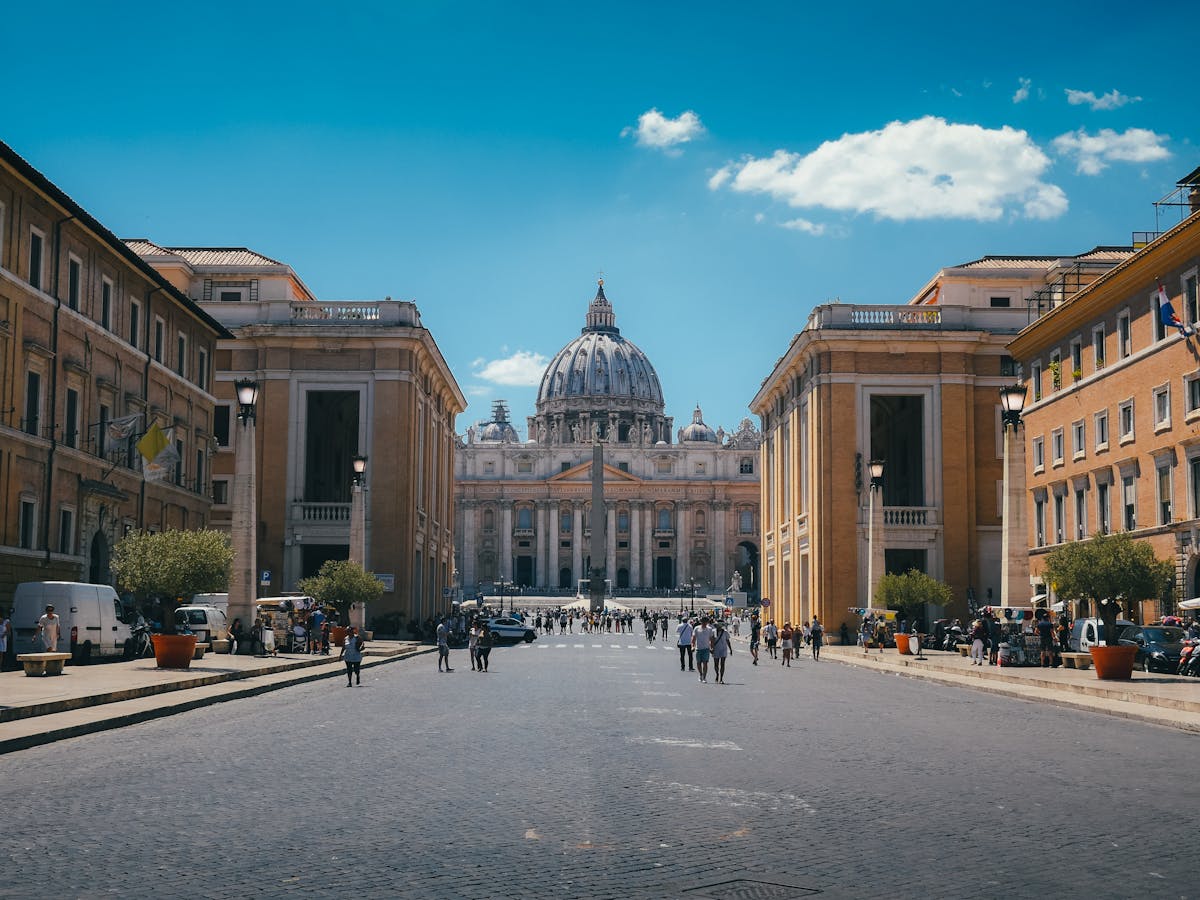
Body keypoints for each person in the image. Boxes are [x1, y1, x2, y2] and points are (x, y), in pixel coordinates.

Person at [692, 617, 715, 683]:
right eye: (703, 621)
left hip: (706, 648)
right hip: (698, 648)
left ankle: (704, 677)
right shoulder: (697, 628)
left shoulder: (709, 629)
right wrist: (693, 646)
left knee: (705, 663)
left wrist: (711, 647)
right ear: (701, 622)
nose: (704, 623)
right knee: (698, 663)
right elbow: (693, 638)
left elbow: (711, 639)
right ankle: (700, 674)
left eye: (706, 621)